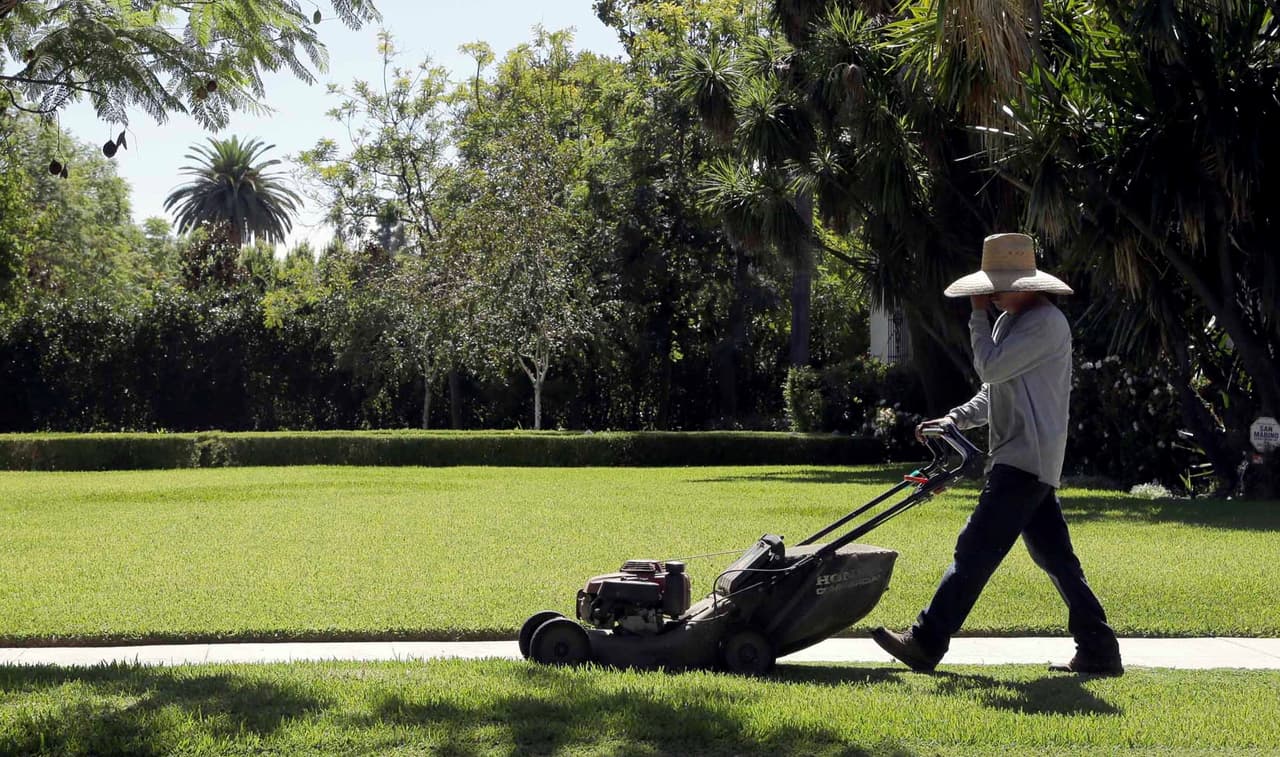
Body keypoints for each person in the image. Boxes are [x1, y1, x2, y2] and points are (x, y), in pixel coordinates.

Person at [871, 232, 1123, 676]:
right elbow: (995, 388)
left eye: (997, 285)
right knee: (1057, 560)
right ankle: (1099, 650)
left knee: (975, 550)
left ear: (1027, 283)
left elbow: (989, 366)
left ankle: (927, 642)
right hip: (1024, 457)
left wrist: (976, 316)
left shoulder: (1044, 323)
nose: (989, 293)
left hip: (1025, 458)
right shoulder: (1011, 322)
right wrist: (955, 419)